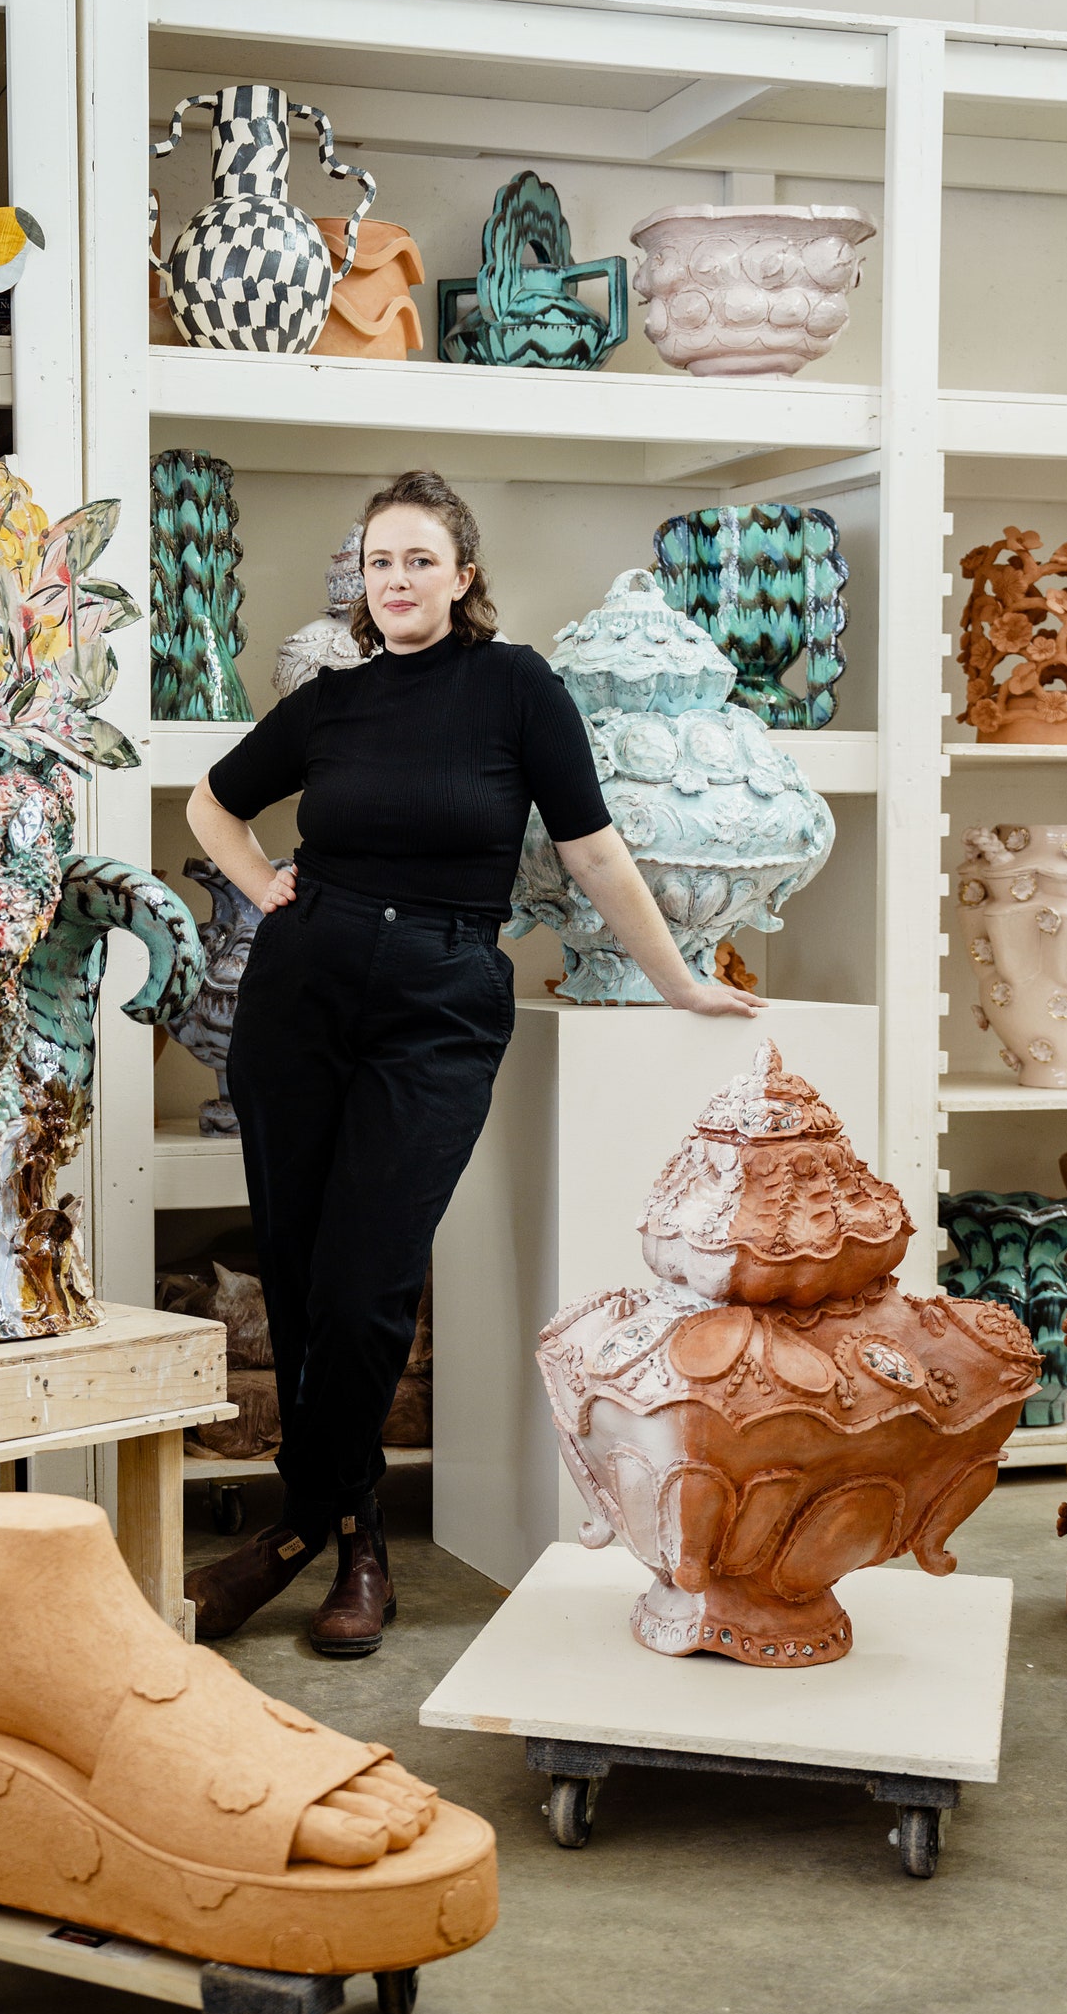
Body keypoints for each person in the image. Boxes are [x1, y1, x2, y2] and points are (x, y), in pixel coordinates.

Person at [183, 470, 765, 1657]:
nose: (395, 581)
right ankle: (352, 1543)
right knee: (296, 1274)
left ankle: (301, 1529)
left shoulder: (515, 689)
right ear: (363, 583)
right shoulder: (331, 703)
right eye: (378, 563)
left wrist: (679, 980)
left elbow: (593, 853)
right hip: (299, 998)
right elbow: (212, 804)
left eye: (417, 561)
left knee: (367, 1280)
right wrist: (261, 889)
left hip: (441, 1000)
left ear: (461, 576)